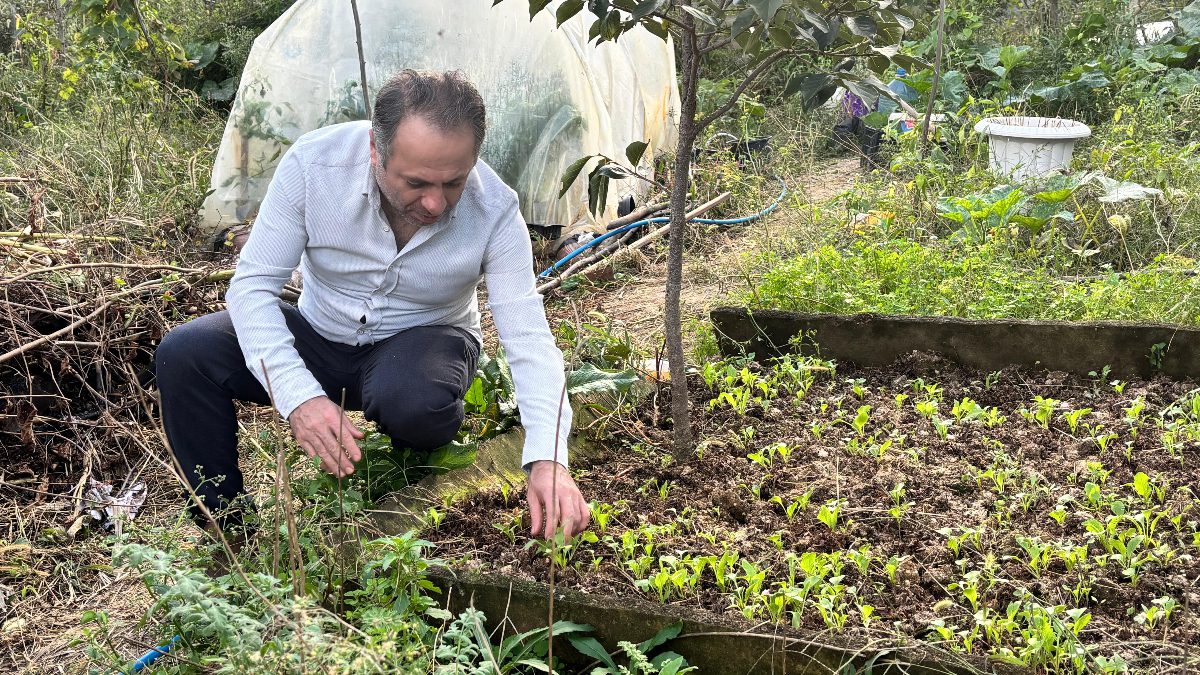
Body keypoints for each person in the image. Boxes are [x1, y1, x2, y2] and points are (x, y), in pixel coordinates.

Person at [156, 70, 590, 540]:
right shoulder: (313, 168)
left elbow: (527, 337)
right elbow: (252, 288)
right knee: (185, 354)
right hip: (320, 331)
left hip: (423, 343)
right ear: (374, 150)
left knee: (414, 400)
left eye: (454, 183)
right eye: (417, 182)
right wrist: (299, 395)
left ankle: (409, 467)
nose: (435, 203)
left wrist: (547, 457)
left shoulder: (496, 210)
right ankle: (225, 526)